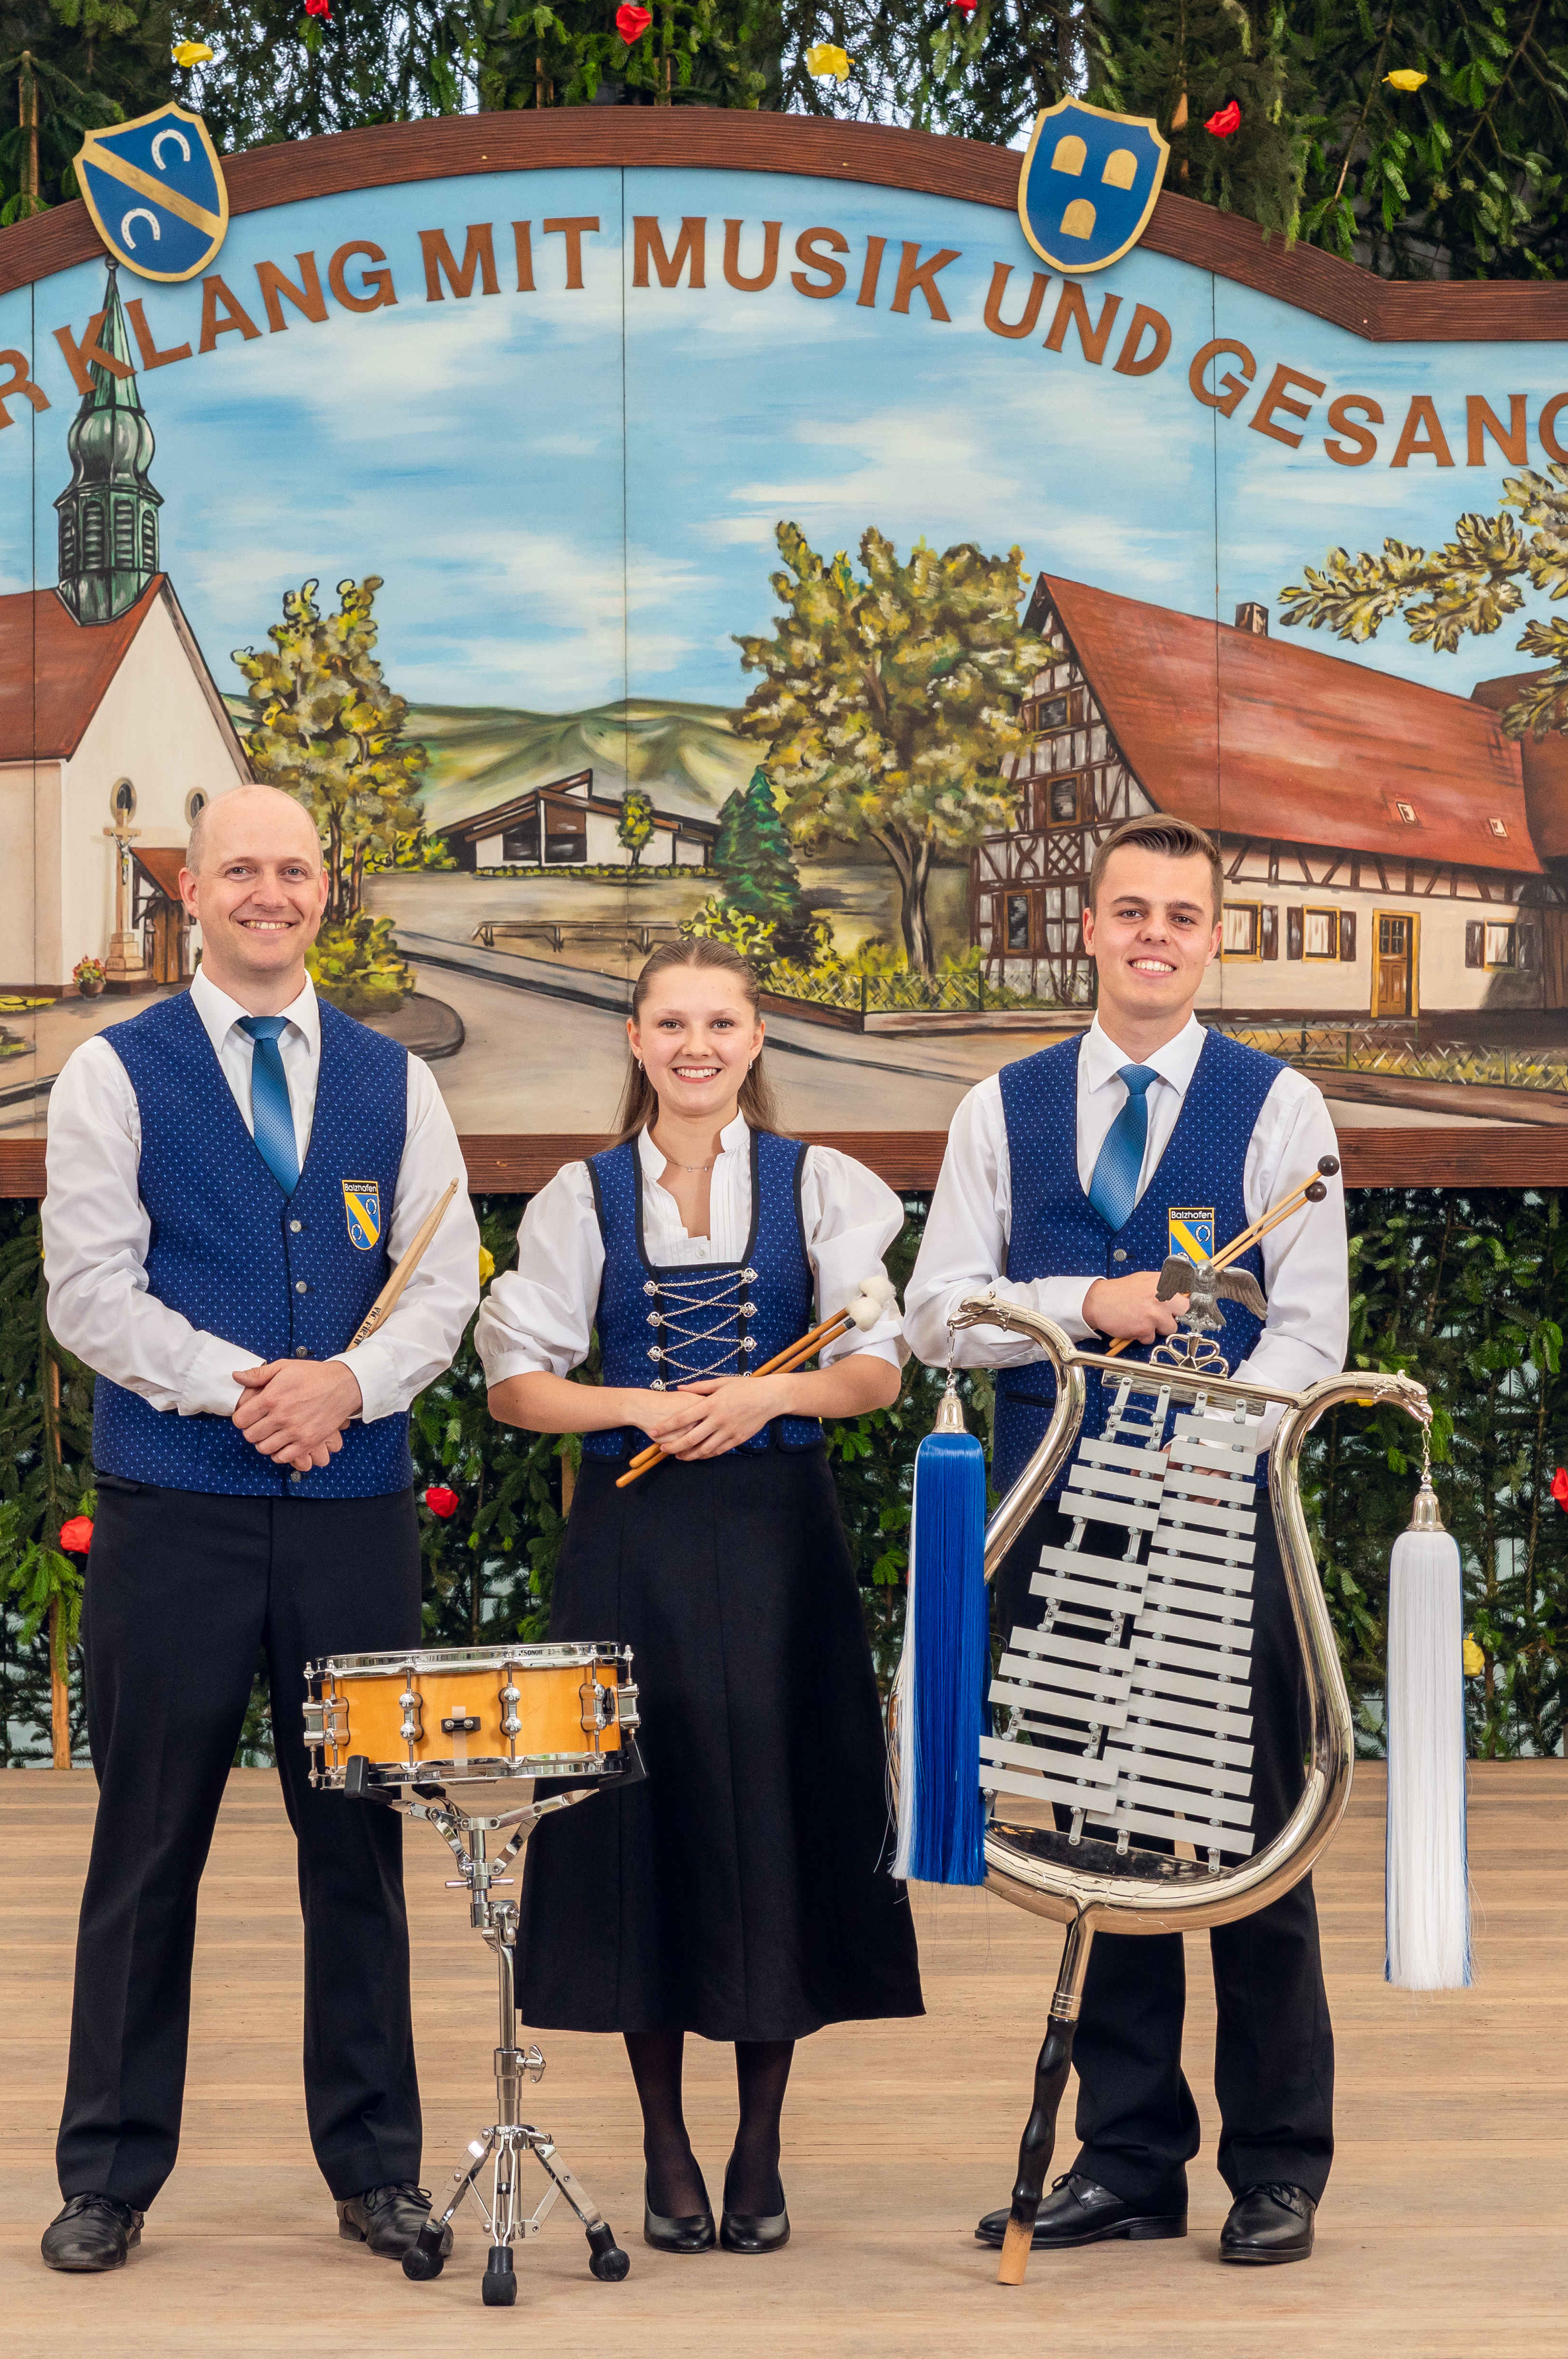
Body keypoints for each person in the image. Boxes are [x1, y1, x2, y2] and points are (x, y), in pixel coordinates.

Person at [36, 783, 481, 2273]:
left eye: (292, 869)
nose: (268, 893)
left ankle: (377, 2170)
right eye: (240, 869)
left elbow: (444, 1276)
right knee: (147, 1843)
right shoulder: (113, 1074)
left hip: (353, 1516)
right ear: (192, 890)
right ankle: (108, 2175)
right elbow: (88, 1290)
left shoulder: (394, 1083)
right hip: (176, 1513)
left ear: (326, 890)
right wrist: (251, 1388)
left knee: (357, 1849)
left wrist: (347, 1384)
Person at [904, 812, 1349, 2269]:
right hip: (1056, 1518)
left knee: (1256, 1838)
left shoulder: (1280, 1109)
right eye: (1133, 911)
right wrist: (1081, 1306)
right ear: (1089, 928)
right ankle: (1130, 2159)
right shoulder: (1003, 1107)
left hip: (1220, 1520)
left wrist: (1214, 1458)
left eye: (1183, 916)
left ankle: (1277, 2164)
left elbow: (1312, 1333)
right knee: (1100, 1833)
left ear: (1213, 940)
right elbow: (934, 1314)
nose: (1156, 936)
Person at [477, 937, 925, 2259]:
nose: (696, 1046)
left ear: (755, 1039)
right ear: (635, 1040)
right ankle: (666, 2143)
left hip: (781, 1540)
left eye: (720, 1023)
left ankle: (760, 2144)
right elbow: (516, 1387)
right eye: (671, 1023)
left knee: (777, 1820)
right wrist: (638, 1406)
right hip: (636, 1547)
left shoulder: (820, 1186)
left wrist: (763, 1393)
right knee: (644, 1828)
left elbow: (876, 1372)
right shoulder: (582, 1197)